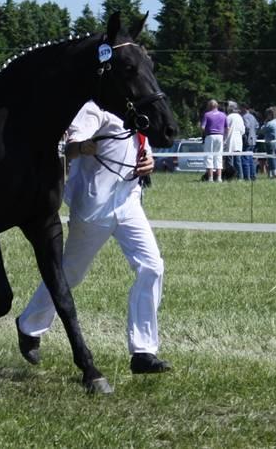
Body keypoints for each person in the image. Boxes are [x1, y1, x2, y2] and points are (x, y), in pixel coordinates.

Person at [15, 101, 171, 375]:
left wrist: (149, 160)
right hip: (94, 206)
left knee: (152, 266)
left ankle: (143, 352)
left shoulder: (138, 109)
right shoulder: (94, 108)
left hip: (128, 201)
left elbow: (139, 147)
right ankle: (28, 326)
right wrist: (82, 148)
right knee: (70, 274)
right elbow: (69, 148)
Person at [200, 99, 226, 182]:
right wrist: (225, 137)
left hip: (210, 136)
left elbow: (202, 127)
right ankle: (219, 178)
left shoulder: (207, 115)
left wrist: (203, 132)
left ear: (209, 106)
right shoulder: (223, 115)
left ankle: (210, 177)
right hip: (220, 136)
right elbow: (227, 127)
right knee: (218, 156)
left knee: (209, 156)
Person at [224, 105, 245, 180]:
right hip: (238, 140)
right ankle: (240, 177)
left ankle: (230, 177)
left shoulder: (228, 117)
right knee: (238, 160)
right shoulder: (240, 117)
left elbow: (226, 129)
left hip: (230, 140)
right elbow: (243, 131)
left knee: (229, 161)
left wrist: (224, 139)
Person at [240, 104, 259, 180]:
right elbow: (257, 125)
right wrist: (254, 133)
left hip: (247, 140)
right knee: (251, 159)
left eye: (241, 108)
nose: (240, 110)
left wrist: (243, 133)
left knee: (245, 159)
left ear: (244, 108)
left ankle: (247, 177)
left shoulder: (244, 117)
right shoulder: (252, 116)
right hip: (253, 140)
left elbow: (247, 127)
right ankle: (253, 175)